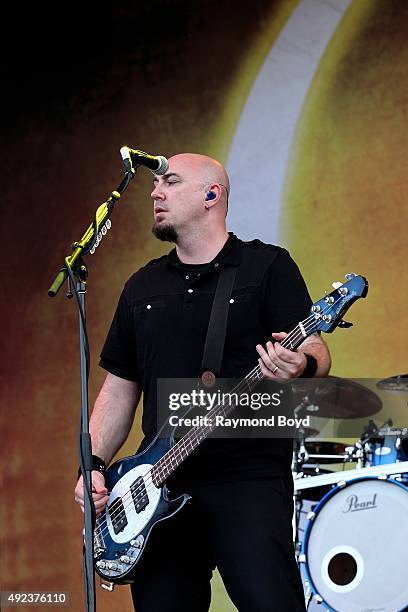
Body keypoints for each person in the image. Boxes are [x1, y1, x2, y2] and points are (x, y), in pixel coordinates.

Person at [75, 153, 331, 611]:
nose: (155, 192)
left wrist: (299, 367)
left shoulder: (267, 267)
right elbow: (118, 390)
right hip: (158, 484)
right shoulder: (141, 286)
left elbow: (316, 352)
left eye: (170, 183)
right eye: (158, 185)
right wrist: (91, 464)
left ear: (212, 195)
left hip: (247, 477)